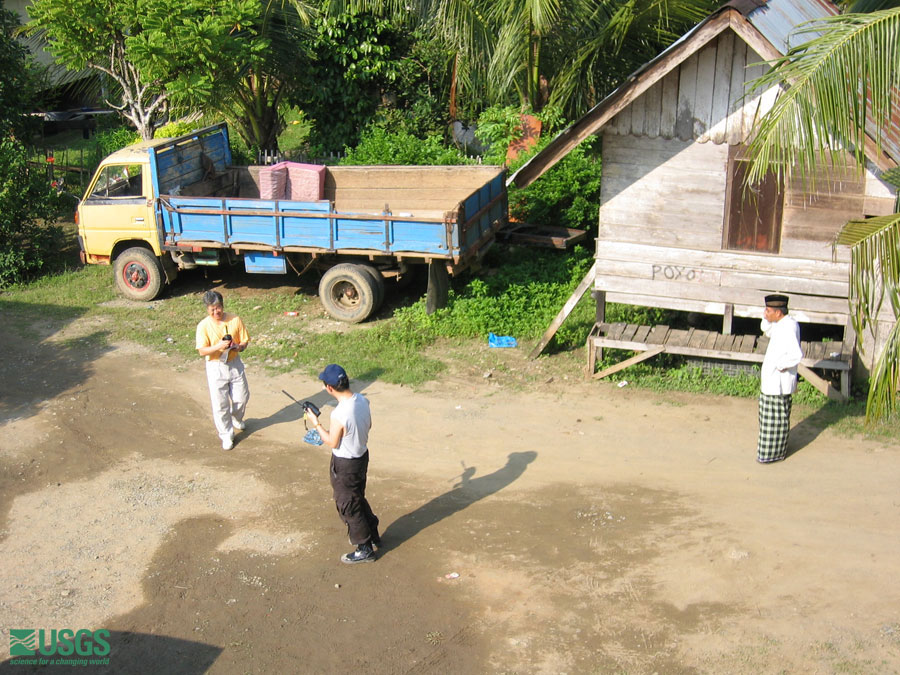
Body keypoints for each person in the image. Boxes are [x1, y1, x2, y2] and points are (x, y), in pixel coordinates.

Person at [305, 364, 381, 564]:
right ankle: (372, 529)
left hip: (345, 465)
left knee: (348, 505)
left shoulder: (339, 414)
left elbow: (331, 441)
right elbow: (369, 425)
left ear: (330, 388)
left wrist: (315, 423)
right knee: (357, 497)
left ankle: (364, 548)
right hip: (361, 458)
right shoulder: (363, 400)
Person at [195, 290, 251, 450]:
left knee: (242, 396)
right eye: (212, 309)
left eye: (218, 307)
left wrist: (238, 346)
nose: (216, 312)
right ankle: (226, 435)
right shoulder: (203, 326)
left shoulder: (235, 319)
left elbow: (245, 341)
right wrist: (218, 346)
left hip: (234, 362)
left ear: (223, 306)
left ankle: (236, 417)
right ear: (207, 309)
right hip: (215, 366)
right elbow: (202, 350)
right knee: (220, 404)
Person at [757, 294, 803, 463]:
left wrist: (780, 366)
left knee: (776, 421)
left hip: (779, 381)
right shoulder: (780, 324)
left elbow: (796, 355)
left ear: (778, 313)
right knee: (769, 420)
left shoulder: (789, 327)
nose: (765, 313)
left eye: (768, 310)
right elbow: (766, 329)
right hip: (772, 381)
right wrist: (767, 317)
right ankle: (774, 451)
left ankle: (771, 454)